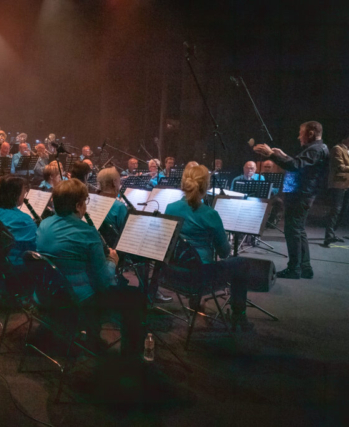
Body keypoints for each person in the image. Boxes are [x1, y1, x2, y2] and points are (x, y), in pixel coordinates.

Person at [36, 178, 146, 356]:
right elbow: (104, 281)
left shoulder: (44, 224)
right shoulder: (87, 233)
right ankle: (130, 358)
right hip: (76, 300)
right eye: (85, 201)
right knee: (135, 298)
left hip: (48, 293)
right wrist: (112, 261)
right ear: (78, 206)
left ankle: (90, 334)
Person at [165, 164, 253, 330]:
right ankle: (239, 316)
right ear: (206, 186)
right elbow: (224, 252)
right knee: (242, 264)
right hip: (200, 277)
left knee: (191, 259)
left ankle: (195, 303)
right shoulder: (210, 214)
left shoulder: (170, 208)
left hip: (173, 273)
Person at [254, 121, 329, 279]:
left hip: (300, 195)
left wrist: (272, 154)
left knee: (293, 231)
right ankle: (305, 267)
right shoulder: (317, 148)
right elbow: (299, 164)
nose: (299, 137)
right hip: (303, 194)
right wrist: (283, 155)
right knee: (299, 230)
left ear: (310, 133)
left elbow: (295, 165)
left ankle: (294, 269)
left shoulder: (315, 149)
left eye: (301, 133)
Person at [0, 175, 37, 265]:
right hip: (16, 265)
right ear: (15, 195)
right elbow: (36, 246)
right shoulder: (24, 220)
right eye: (23, 192)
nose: (24, 195)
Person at [322, 137, 349, 247]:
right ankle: (328, 236)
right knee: (335, 210)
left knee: (342, 210)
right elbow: (340, 167)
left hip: (346, 184)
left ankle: (332, 233)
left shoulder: (347, 150)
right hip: (338, 184)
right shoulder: (337, 149)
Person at [97, 167, 128, 234]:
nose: (120, 183)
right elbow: (126, 231)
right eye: (119, 180)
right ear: (114, 182)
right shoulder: (120, 207)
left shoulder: (92, 202)